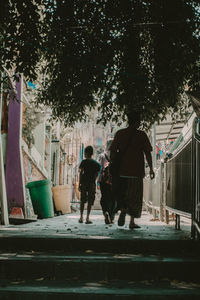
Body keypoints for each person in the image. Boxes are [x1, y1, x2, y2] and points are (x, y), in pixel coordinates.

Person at [110, 111, 155, 229]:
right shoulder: (141, 135)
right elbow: (148, 153)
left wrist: (113, 165)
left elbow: (113, 152)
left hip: (122, 171)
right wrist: (150, 168)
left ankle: (123, 209)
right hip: (136, 172)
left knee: (123, 194)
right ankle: (131, 222)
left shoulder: (120, 133)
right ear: (137, 121)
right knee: (134, 197)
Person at [78, 145, 101, 224]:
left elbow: (81, 173)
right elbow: (97, 174)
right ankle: (87, 218)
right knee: (90, 201)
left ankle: (81, 217)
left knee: (82, 200)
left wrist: (79, 184)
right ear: (92, 153)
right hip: (91, 183)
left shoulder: (84, 162)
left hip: (84, 183)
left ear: (86, 153)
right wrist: (94, 181)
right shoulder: (96, 164)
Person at [98, 139, 116, 224]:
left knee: (104, 197)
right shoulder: (116, 155)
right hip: (114, 180)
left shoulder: (102, 155)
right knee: (113, 198)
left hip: (103, 180)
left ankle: (105, 212)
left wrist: (98, 181)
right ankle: (111, 216)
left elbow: (100, 169)